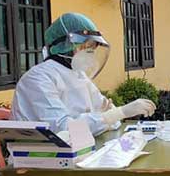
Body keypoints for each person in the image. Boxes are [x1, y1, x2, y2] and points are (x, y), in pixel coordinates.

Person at [12, 13, 155, 135]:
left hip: (78, 151)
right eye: (85, 47)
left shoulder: (78, 75)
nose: (90, 54)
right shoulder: (38, 78)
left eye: (92, 48)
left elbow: (106, 113)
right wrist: (118, 113)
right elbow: (63, 130)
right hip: (41, 159)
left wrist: (110, 115)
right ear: (64, 45)